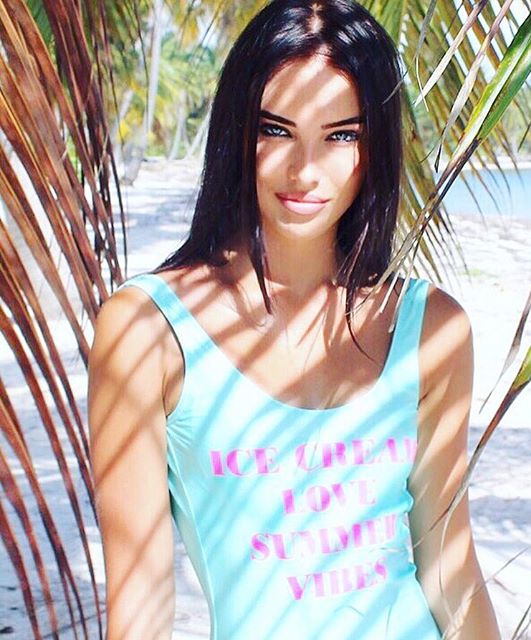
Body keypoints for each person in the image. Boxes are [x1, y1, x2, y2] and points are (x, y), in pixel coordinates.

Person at [88, 0, 501, 638]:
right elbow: (140, 607)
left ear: (375, 148)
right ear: (236, 133)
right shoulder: (148, 331)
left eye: (342, 135)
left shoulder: (431, 328)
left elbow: (449, 569)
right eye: (276, 130)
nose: (305, 170)